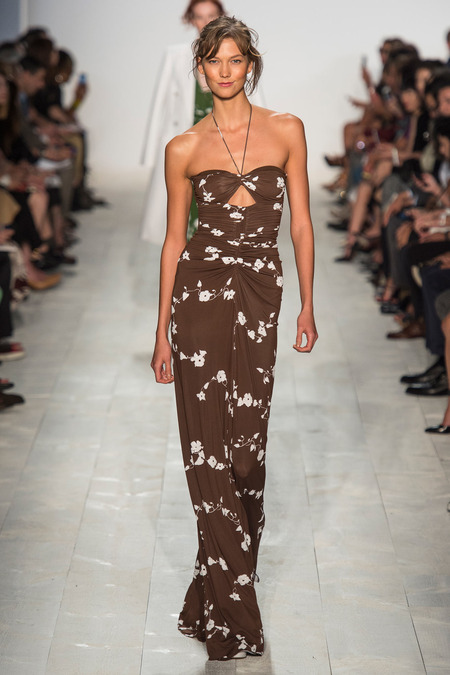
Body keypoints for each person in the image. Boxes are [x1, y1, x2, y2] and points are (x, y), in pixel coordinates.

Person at [151, 16, 317, 663]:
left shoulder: (287, 129)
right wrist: (160, 332)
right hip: (198, 301)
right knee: (206, 452)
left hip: (261, 297)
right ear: (200, 68)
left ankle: (210, 590)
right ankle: (235, 613)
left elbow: (300, 224)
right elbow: (174, 240)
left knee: (245, 456)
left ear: (251, 63)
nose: (224, 71)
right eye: (213, 60)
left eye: (235, 59)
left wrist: (307, 305)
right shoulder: (184, 148)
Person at [140, 0, 226, 245]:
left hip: (223, 139)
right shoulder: (176, 56)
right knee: (184, 200)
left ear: (221, 16)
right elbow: (159, 102)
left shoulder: (236, 53)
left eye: (211, 15)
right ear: (190, 20)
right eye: (199, 16)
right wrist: (150, 153)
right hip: (185, 139)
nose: (206, 22)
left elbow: (254, 99)